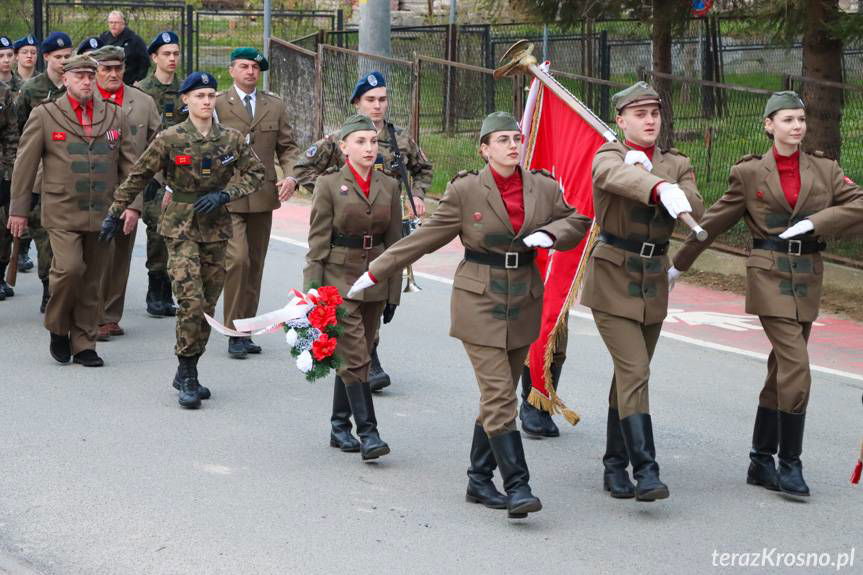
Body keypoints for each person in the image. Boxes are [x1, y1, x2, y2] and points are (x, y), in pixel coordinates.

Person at [347, 112, 591, 518]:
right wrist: (375, 271)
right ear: (484, 148)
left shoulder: (543, 187)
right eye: (502, 139)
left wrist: (550, 235)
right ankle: (518, 486)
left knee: (497, 398)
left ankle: (479, 479)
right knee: (500, 396)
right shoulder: (466, 191)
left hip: (524, 297)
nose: (513, 145)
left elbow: (578, 219)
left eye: (517, 138)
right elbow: (424, 239)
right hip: (479, 299)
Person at [671, 91, 863, 498]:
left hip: (808, 275)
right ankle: (790, 463)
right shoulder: (751, 173)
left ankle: (760, 459)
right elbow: (714, 222)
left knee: (781, 371)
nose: (797, 126)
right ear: (768, 125)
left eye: (801, 119)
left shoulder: (825, 170)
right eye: (788, 120)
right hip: (768, 274)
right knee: (797, 366)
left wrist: (814, 223)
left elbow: (858, 203)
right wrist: (678, 265)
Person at [101, 71, 265, 409]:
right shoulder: (170, 138)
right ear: (186, 100)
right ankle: (187, 371)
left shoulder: (231, 139)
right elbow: (138, 176)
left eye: (210, 95)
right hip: (180, 227)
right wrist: (114, 212)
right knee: (190, 300)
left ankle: (190, 365)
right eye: (199, 96)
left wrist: (226, 195)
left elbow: (257, 174)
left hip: (217, 228)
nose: (206, 101)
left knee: (207, 304)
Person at [580, 81, 704, 502]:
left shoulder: (676, 162)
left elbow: (695, 204)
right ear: (621, 120)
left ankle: (614, 464)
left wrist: (663, 180)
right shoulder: (609, 154)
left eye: (654, 113)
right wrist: (650, 183)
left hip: (654, 277)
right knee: (635, 371)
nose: (650, 120)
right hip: (613, 275)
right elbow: (609, 176)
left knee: (629, 374)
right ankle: (646, 470)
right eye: (639, 114)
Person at [294, 70, 433, 392]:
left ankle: (364, 361)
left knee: (376, 296)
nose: (378, 106)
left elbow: (423, 169)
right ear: (357, 103)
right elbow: (303, 167)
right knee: (353, 307)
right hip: (347, 235)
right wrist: (335, 194)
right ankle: (366, 364)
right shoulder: (341, 138)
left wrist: (420, 196)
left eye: (383, 99)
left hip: (384, 229)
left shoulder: (399, 140)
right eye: (370, 100)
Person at [7, 54, 136, 366]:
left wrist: (133, 205)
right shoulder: (45, 115)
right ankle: (58, 325)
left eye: (91, 76)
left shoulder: (114, 115)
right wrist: (19, 210)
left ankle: (84, 343)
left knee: (93, 280)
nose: (86, 81)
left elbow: (131, 165)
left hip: (103, 211)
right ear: (65, 79)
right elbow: (25, 166)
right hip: (62, 210)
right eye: (79, 76)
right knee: (69, 270)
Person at [304, 114, 403, 461]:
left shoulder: (389, 186)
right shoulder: (329, 185)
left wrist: (393, 292)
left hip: (374, 277)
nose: (368, 148)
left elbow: (395, 245)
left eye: (373, 141)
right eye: (360, 142)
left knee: (356, 351)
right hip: (338, 279)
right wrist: (312, 292)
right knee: (356, 355)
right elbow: (317, 243)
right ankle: (369, 433)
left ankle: (338, 425)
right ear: (344, 147)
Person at [215, 47, 299, 358]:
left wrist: (291, 176)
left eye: (255, 67)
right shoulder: (218, 104)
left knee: (255, 265)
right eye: (244, 66)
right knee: (238, 260)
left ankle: (245, 329)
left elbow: (287, 147)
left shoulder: (273, 105)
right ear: (231, 70)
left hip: (263, 195)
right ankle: (233, 330)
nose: (250, 71)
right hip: (230, 194)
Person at [90, 45, 160, 340]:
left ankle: (108, 316)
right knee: (88, 256)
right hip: (88, 193)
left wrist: (139, 200)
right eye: (106, 69)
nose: (113, 74)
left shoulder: (142, 103)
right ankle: (85, 313)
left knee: (119, 256)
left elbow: (157, 149)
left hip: (127, 191)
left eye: (117, 68)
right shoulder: (82, 99)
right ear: (95, 72)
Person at [15, 31, 73, 312]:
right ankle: (48, 289)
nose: (64, 61)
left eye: (68, 56)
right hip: (40, 175)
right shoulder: (32, 90)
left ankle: (66, 291)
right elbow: (19, 135)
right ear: (47, 56)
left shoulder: (77, 87)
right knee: (44, 238)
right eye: (59, 57)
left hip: (72, 174)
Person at [135, 30, 185, 318]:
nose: (172, 58)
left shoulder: (186, 90)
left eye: (176, 53)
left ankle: (169, 292)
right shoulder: (141, 91)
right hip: (153, 176)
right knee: (156, 231)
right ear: (154, 57)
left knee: (178, 233)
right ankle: (156, 292)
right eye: (166, 53)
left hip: (182, 175)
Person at [0, 71, 18, 301]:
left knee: (2, 227)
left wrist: (9, 172)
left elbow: (12, 134)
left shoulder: (3, 92)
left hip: (1, 170)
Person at [99, 10, 149, 85]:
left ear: (123, 23)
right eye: (111, 22)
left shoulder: (134, 40)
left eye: (116, 22)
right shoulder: (104, 37)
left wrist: (139, 80)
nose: (113, 25)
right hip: (107, 81)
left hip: (128, 82)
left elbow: (145, 61)